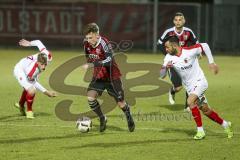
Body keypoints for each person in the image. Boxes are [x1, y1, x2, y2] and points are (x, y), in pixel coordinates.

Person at [160, 36, 233, 140]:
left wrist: (211, 62)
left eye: (167, 47)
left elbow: (205, 46)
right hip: (190, 88)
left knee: (190, 102)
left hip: (200, 82)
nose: (166, 49)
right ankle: (225, 124)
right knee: (206, 110)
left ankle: (200, 131)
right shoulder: (168, 57)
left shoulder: (189, 51)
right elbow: (161, 75)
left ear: (174, 45)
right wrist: (165, 68)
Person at [81, 23, 135, 132]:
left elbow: (109, 60)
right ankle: (102, 118)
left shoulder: (104, 43)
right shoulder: (86, 44)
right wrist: (93, 66)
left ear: (97, 35)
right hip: (99, 76)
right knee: (91, 97)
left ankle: (128, 115)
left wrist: (93, 65)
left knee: (121, 103)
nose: (88, 40)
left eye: (90, 37)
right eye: (87, 38)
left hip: (112, 76)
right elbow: (89, 57)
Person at [158, 12, 198, 108]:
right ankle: (172, 90)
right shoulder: (169, 32)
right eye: (176, 20)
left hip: (185, 61)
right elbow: (159, 43)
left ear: (184, 21)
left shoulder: (188, 32)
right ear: (173, 21)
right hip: (173, 62)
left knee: (190, 84)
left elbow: (196, 43)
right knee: (178, 87)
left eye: (180, 20)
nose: (178, 22)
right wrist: (169, 54)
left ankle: (187, 106)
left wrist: (196, 53)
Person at [14, 39, 57, 119]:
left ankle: (20, 105)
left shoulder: (48, 56)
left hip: (28, 68)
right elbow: (34, 82)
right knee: (32, 90)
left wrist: (29, 43)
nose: (44, 67)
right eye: (42, 65)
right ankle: (29, 111)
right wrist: (47, 92)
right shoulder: (32, 71)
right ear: (37, 63)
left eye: (45, 64)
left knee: (28, 87)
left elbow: (38, 42)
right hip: (20, 70)